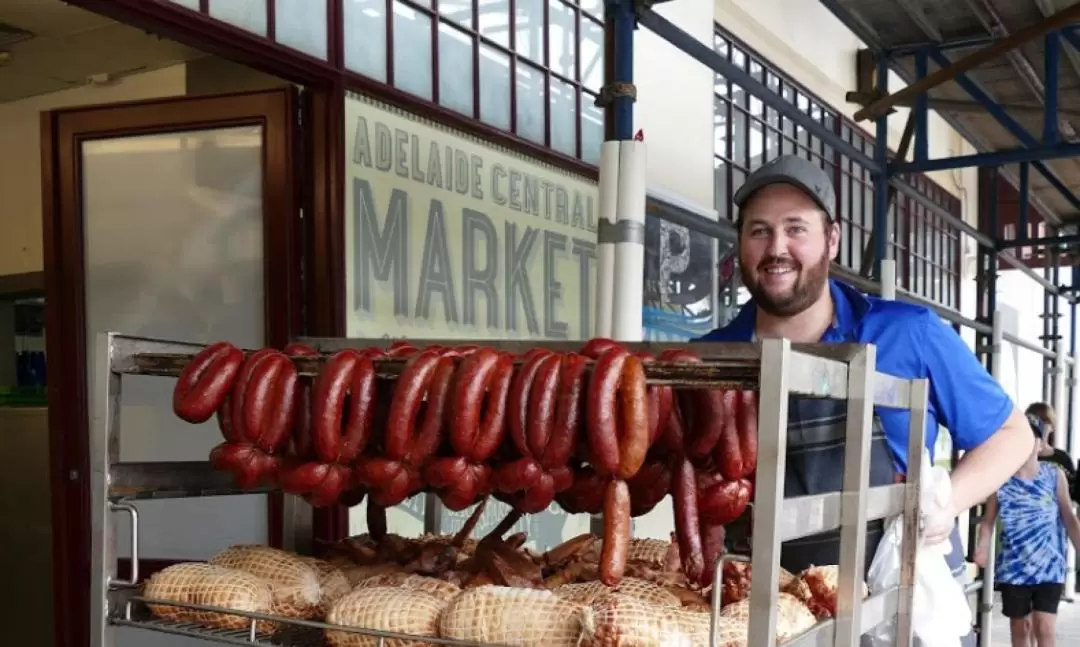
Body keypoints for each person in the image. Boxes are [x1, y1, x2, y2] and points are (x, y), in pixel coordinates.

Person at [696, 155, 1035, 644]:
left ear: (831, 240)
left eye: (796, 229)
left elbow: (1012, 434)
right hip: (768, 617)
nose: (777, 248)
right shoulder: (714, 355)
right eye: (759, 231)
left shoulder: (906, 333)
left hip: (898, 611)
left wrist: (945, 506)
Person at [974, 420, 1080, 647]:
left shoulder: (1054, 475)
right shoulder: (1001, 480)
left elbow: (1069, 519)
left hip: (1049, 566)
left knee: (1044, 626)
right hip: (1014, 567)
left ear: (1040, 444)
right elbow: (988, 521)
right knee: (1021, 629)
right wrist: (982, 546)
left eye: (1030, 438)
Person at [1028, 403, 1077, 493]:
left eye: (1043, 421)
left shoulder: (1062, 457)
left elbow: (1073, 490)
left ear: (1052, 427)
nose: (1038, 425)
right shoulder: (1019, 458)